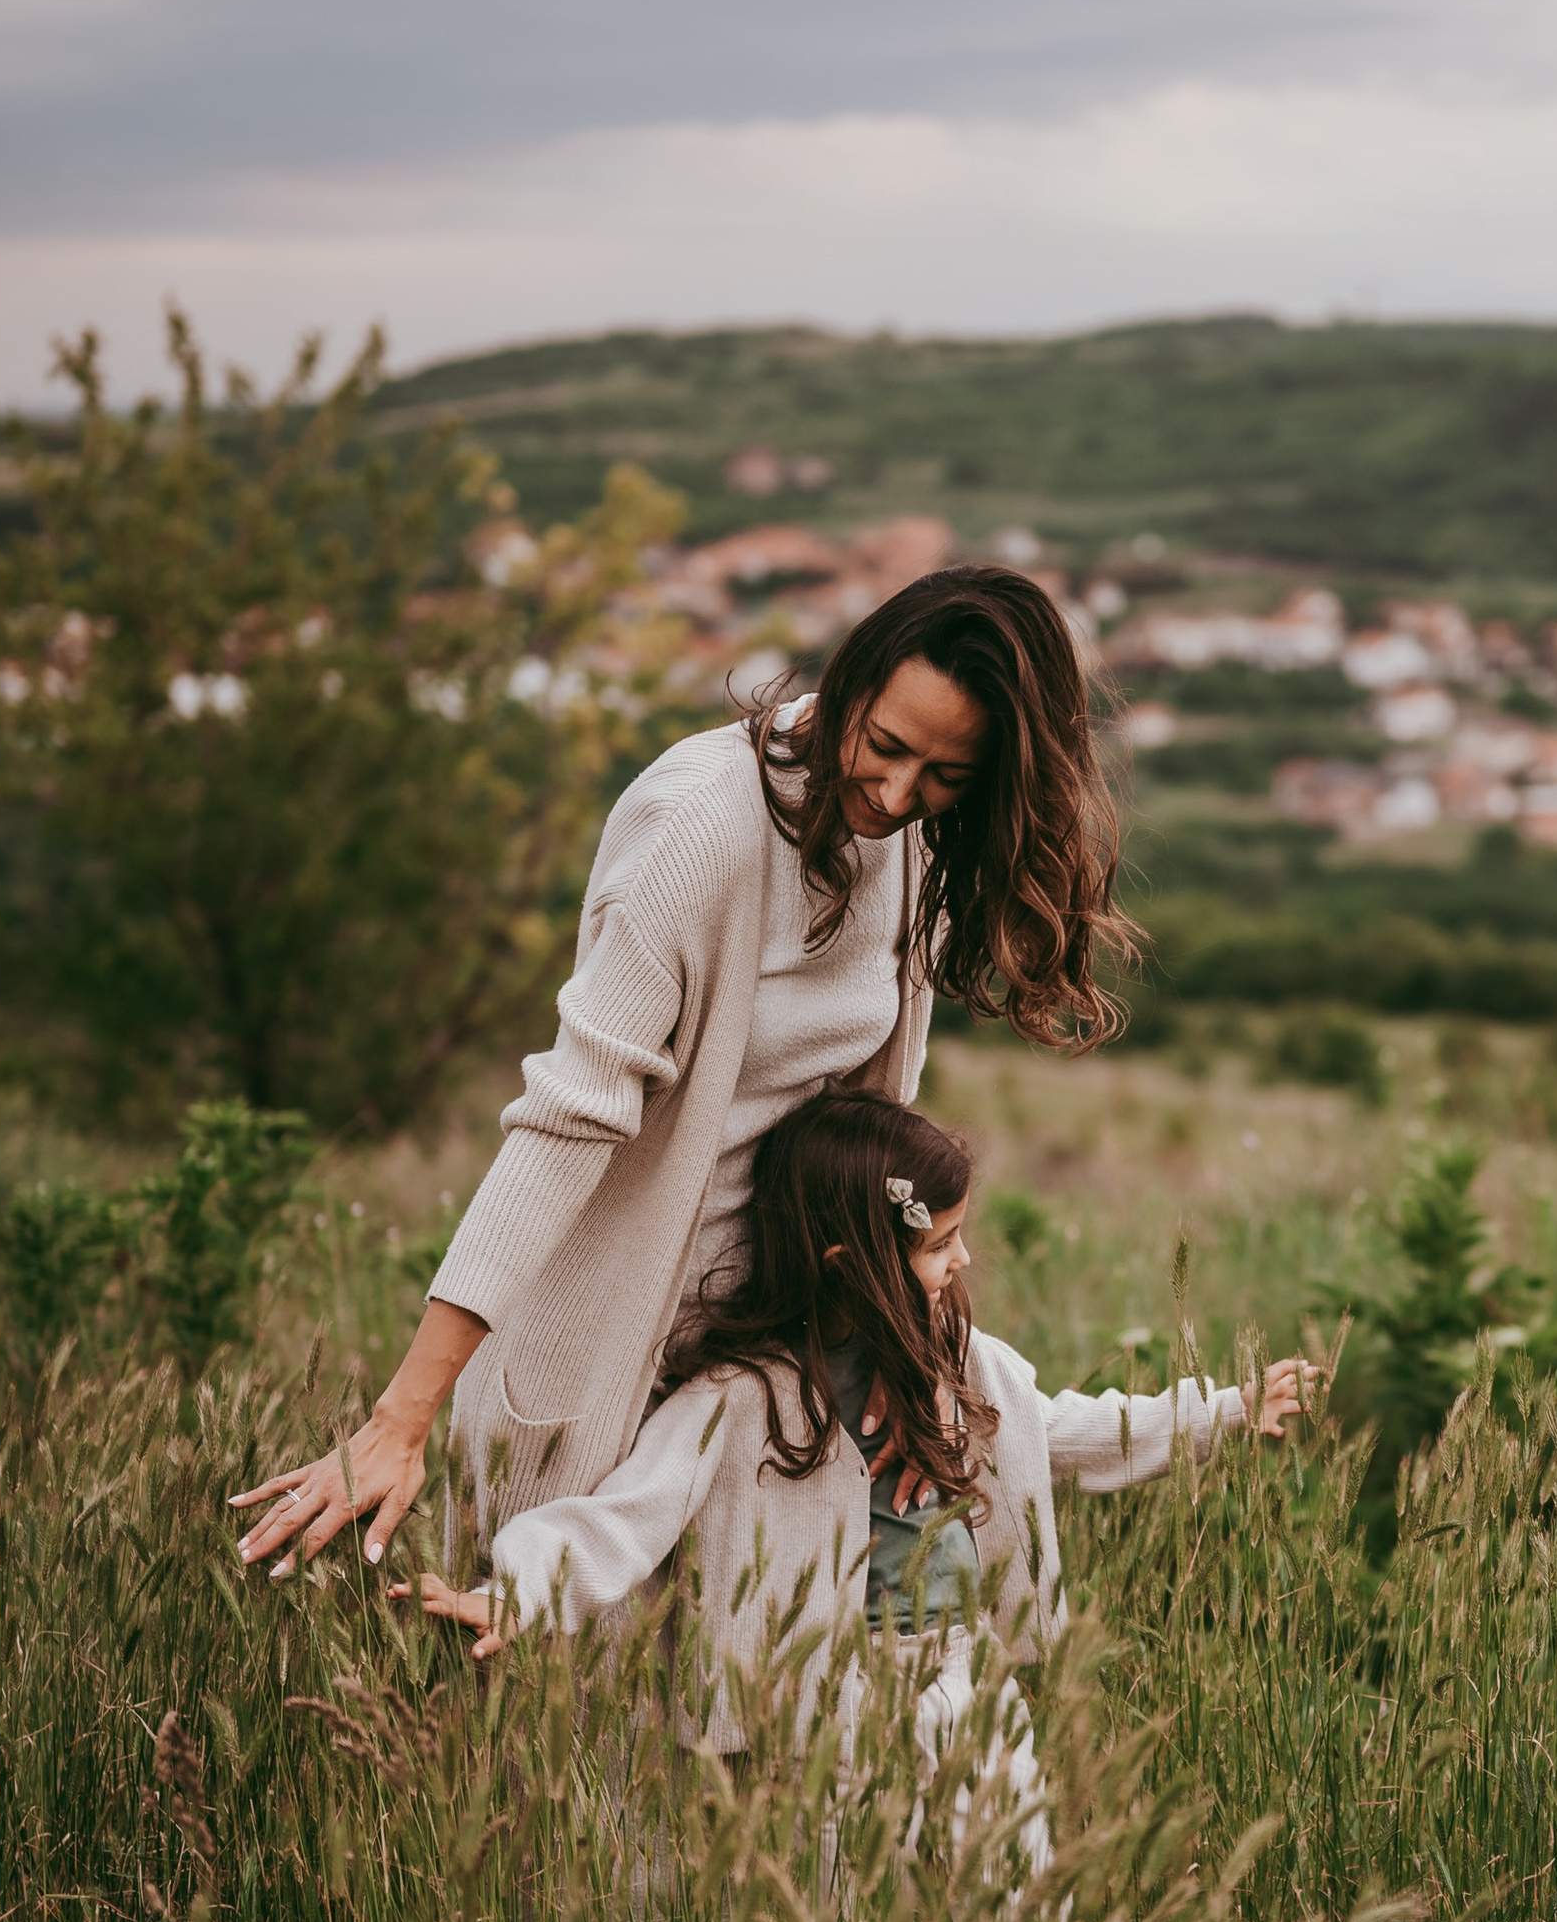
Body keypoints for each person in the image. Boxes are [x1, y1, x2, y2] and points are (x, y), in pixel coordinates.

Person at [231, 566, 1132, 1579]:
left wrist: (889, 1332)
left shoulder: (907, 844)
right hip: (613, 1360)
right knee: (559, 1706)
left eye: (943, 776)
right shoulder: (700, 825)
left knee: (759, 1712)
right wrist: (400, 1418)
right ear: (852, 678)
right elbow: (568, 1118)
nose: (892, 794)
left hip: (778, 1376)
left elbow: (867, 1134)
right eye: (882, 746)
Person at [406, 1090, 1313, 1856]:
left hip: (964, 1676)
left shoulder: (955, 1358)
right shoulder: (746, 1396)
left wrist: (1222, 1410)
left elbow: (1058, 1428)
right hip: (827, 1700)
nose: (961, 1260)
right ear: (852, 1263)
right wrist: (519, 1589)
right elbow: (631, 1511)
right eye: (938, 1243)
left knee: (1016, 1902)